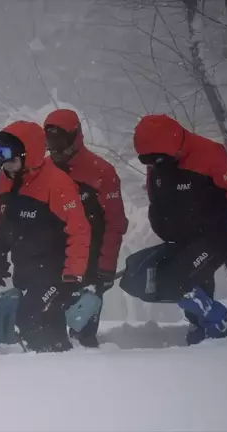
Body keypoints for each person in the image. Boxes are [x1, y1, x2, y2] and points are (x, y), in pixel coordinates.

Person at [122, 114, 227, 345]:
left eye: (157, 160)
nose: (153, 166)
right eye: (148, 162)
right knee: (152, 277)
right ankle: (201, 328)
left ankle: (223, 324)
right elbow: (158, 196)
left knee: (177, 280)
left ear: (172, 147)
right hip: (180, 239)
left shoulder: (209, 154)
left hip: (214, 236)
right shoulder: (158, 161)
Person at [0, 120, 91, 353]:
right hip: (25, 269)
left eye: (12, 160)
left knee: (27, 318)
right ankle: (58, 364)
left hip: (55, 273)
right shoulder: (6, 180)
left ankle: (43, 366)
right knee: (49, 322)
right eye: (2, 160)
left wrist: (73, 275)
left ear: (29, 155)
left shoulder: (57, 183)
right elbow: (4, 220)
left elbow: (79, 229)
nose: (7, 167)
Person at [43, 109, 128, 348]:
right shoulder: (43, 170)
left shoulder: (102, 172)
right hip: (51, 261)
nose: (56, 148)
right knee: (48, 330)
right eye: (50, 141)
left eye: (60, 140)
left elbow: (115, 222)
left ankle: (87, 370)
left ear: (75, 137)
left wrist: (106, 267)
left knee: (83, 332)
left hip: (91, 262)